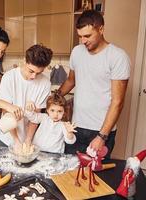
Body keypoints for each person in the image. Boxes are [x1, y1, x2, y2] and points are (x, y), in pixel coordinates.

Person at [58, 10, 130, 158]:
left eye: (87, 36)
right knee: (71, 172)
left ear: (101, 29)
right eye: (80, 36)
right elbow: (71, 80)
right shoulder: (77, 52)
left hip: (100, 130)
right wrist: (54, 97)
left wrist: (102, 136)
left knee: (96, 176)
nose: (83, 41)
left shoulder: (117, 57)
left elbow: (118, 102)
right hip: (76, 126)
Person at [0, 44, 53, 147]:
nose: (33, 76)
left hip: (29, 137)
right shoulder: (9, 77)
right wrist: (16, 141)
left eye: (38, 73)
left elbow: (35, 117)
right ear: (24, 61)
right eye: (31, 71)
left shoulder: (45, 83)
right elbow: (6, 113)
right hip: (7, 138)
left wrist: (28, 140)